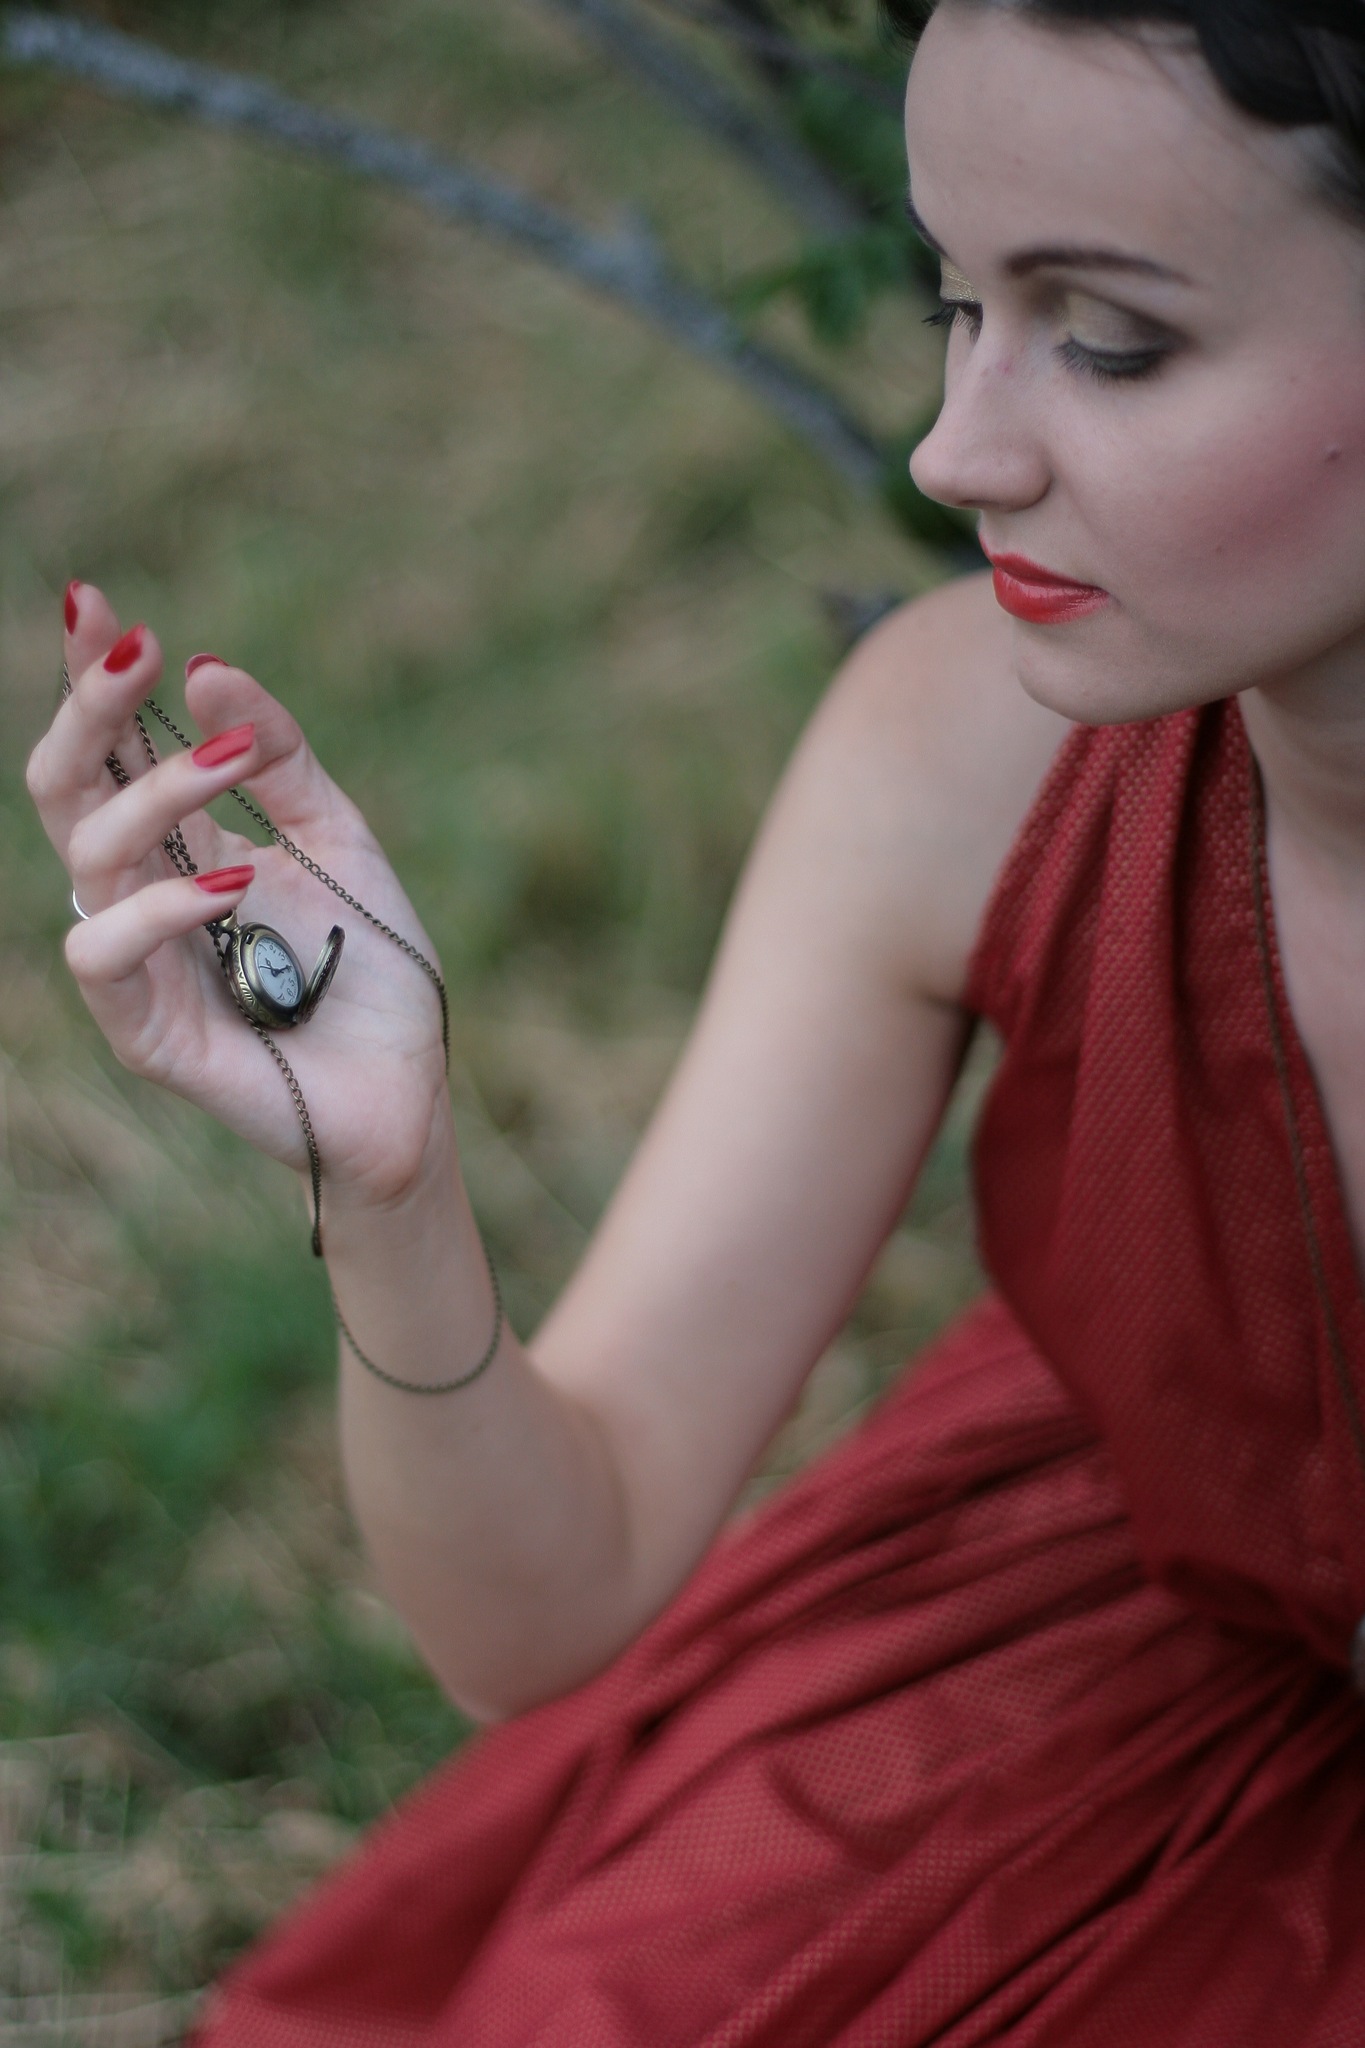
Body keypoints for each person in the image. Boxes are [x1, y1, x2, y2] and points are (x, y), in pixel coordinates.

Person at [26, 0, 1365, 2038]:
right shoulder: (966, 759)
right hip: (1144, 1672)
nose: (953, 449)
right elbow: (545, 1599)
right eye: (957, 305)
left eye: (1107, 337)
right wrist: (389, 1183)